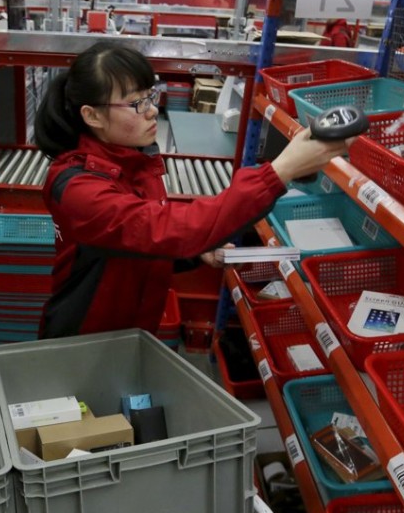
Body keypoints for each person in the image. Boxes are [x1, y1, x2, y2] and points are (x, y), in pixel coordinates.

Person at [34, 42, 352, 338]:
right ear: (91, 116)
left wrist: (199, 253)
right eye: (136, 103)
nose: (150, 111)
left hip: (128, 331)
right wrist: (279, 173)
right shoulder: (78, 188)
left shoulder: (135, 162)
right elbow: (164, 229)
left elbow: (138, 244)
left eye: (150, 95)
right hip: (81, 338)